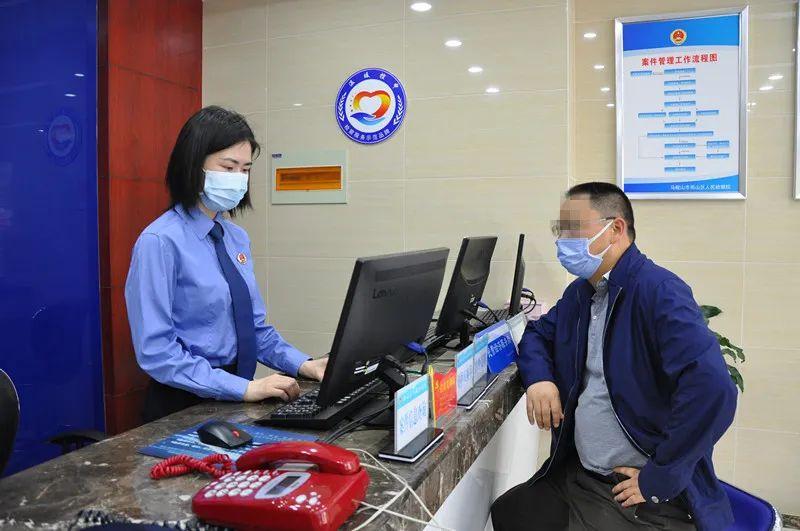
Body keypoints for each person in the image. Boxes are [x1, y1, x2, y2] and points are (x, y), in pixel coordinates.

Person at [491, 182, 737, 531]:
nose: (562, 241)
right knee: (511, 511)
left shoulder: (659, 292)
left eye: (572, 230)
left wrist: (659, 479)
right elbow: (537, 334)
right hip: (582, 474)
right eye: (558, 231)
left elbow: (714, 389)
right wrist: (541, 379)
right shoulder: (582, 293)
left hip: (635, 490)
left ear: (616, 229)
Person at [125, 106, 327, 422]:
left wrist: (304, 364)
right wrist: (243, 389)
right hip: (183, 401)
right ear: (193, 166)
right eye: (228, 167)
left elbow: (253, 329)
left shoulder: (235, 237)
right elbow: (157, 353)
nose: (238, 179)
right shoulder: (159, 241)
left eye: (245, 170)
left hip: (235, 395)